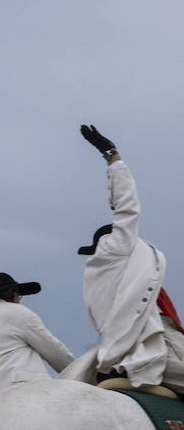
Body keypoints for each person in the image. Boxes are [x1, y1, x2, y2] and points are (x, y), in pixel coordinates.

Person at [77, 124, 184, 398]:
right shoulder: (116, 247)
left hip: (121, 347)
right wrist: (112, 156)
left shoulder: (101, 273)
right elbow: (126, 206)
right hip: (154, 345)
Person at [0, 271, 74, 400]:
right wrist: (82, 373)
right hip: (23, 391)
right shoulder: (19, 313)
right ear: (10, 292)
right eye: (18, 294)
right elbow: (54, 352)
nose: (19, 299)